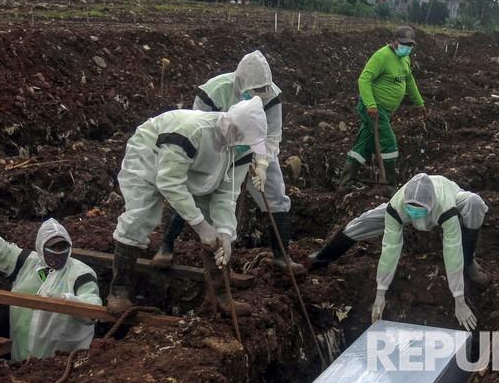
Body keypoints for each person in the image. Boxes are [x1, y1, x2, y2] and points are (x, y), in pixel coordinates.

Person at [108, 97, 268, 315]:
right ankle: (119, 291)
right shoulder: (192, 131)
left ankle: (221, 297)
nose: (246, 146)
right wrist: (200, 225)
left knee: (216, 224)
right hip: (149, 153)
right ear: (233, 128)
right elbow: (169, 182)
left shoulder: (240, 149)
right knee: (140, 217)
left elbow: (226, 195)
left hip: (195, 166)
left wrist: (225, 232)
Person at [153, 51, 305, 276]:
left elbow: (272, 134)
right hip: (216, 148)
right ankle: (167, 245)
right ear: (240, 83)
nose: (259, 95)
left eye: (263, 90)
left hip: (255, 147)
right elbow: (197, 126)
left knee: (275, 195)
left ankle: (282, 256)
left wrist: (262, 164)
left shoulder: (271, 96)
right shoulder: (213, 91)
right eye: (254, 90)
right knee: (197, 191)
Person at [310, 173, 489, 330]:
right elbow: (390, 248)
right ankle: (322, 259)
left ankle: (469, 260)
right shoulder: (397, 207)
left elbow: (452, 250)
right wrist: (380, 293)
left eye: (418, 211)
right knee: (364, 222)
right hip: (402, 209)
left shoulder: (446, 208)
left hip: (447, 194)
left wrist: (459, 299)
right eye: (410, 209)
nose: (414, 215)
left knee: (474, 203)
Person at [0, 219, 101, 362]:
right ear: (41, 247)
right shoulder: (26, 262)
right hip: (21, 354)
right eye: (53, 247)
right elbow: (4, 249)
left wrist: (66, 300)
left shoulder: (81, 273)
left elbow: (93, 308)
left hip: (61, 362)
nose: (58, 252)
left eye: (62, 246)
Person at [337, 26, 426, 191]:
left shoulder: (405, 58)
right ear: (394, 41)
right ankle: (390, 185)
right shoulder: (382, 56)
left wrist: (419, 102)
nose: (406, 47)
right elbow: (364, 79)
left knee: (363, 144)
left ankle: (345, 183)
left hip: (385, 111)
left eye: (410, 45)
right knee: (389, 142)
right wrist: (371, 104)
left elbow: (409, 80)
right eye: (403, 44)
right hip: (374, 109)